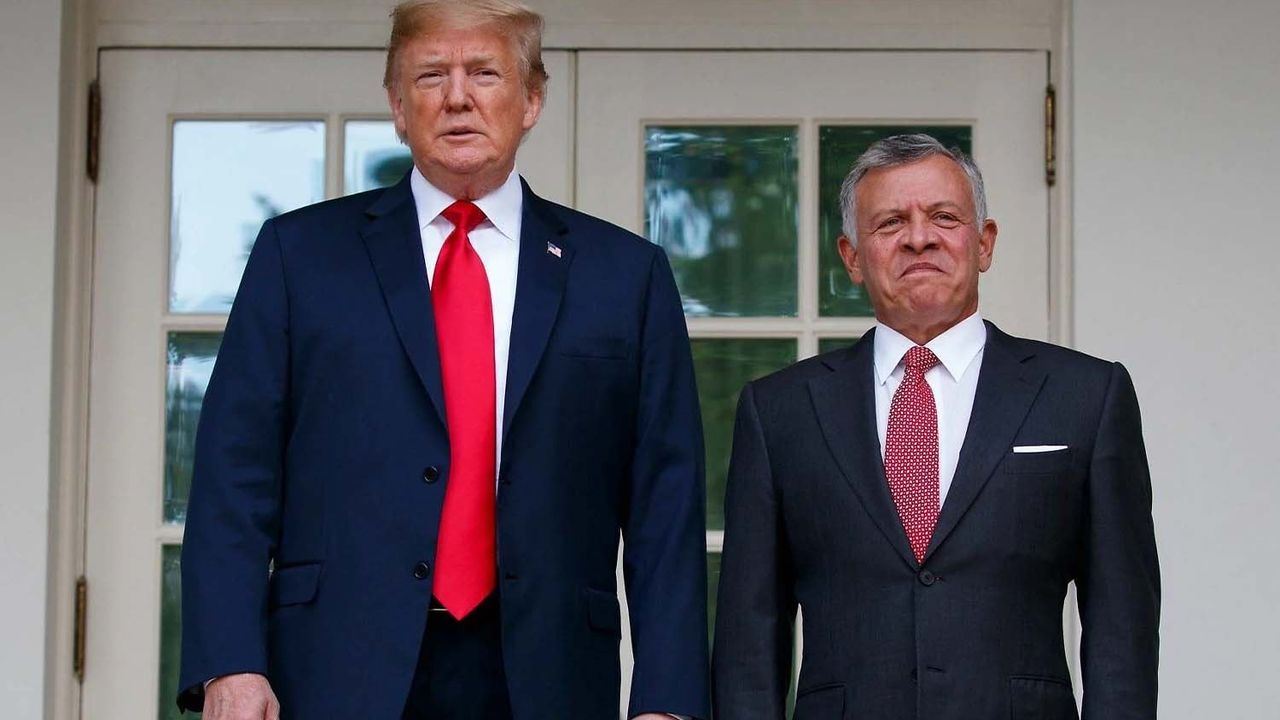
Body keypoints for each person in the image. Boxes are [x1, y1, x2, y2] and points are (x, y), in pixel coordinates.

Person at [177, 2, 709, 718]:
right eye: (431, 75)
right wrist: (230, 661)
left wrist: (667, 700)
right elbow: (234, 473)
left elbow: (664, 506)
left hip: (547, 672)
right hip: (334, 667)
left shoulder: (624, 275)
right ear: (398, 107)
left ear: (532, 100)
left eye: (485, 73)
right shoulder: (299, 256)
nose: (458, 96)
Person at [712, 134, 1159, 719]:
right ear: (852, 257)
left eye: (944, 217)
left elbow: (1123, 627)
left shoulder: (1086, 396)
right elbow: (748, 640)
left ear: (984, 242)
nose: (918, 238)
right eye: (890, 222)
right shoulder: (780, 411)